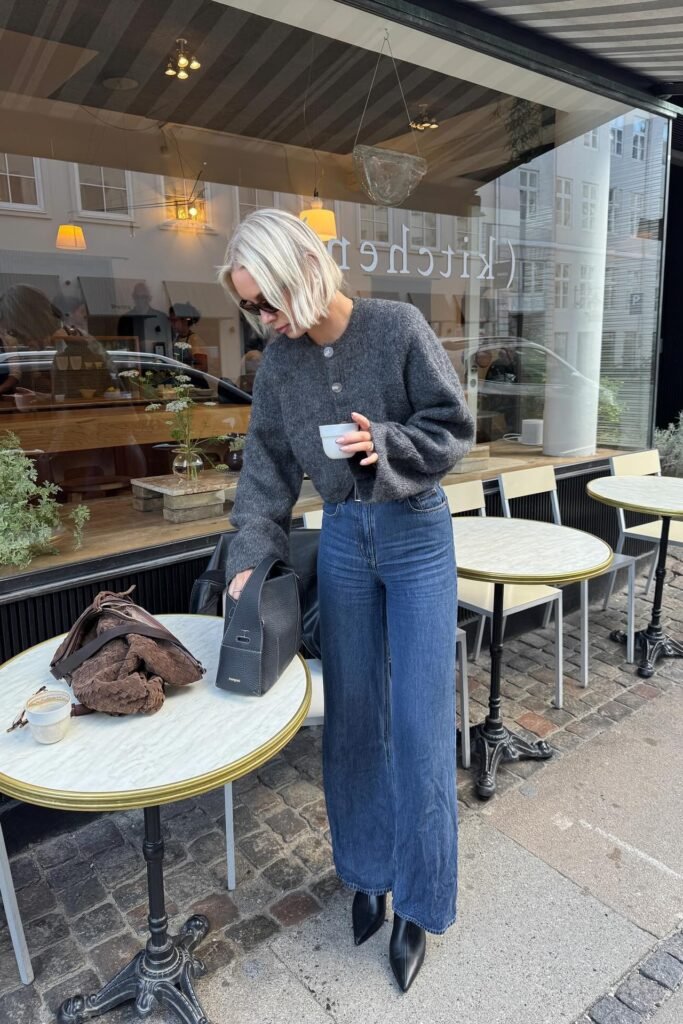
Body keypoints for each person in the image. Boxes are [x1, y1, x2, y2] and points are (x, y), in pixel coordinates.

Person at [218, 209, 474, 993]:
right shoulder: (279, 367)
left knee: (422, 722)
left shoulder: (394, 327)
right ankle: (365, 873)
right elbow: (265, 468)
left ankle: (420, 905)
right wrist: (250, 556)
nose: (261, 320)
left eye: (266, 301)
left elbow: (452, 425)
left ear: (302, 268)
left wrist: (384, 444)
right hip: (342, 542)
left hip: (416, 534)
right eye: (249, 308)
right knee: (353, 720)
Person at [117, 282, 171, 352]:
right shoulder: (125, 319)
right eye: (137, 297)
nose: (140, 300)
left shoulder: (161, 318)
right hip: (134, 359)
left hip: (156, 358)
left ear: (149, 298)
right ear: (133, 297)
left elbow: (168, 342)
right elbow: (122, 344)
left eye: (143, 297)